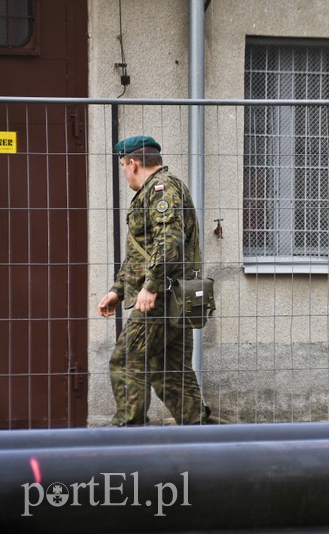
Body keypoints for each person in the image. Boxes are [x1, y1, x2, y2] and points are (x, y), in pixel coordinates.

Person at [98, 135, 222, 425]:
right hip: (170, 294)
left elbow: (169, 243)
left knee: (127, 360)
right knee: (169, 369)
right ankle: (200, 435)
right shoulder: (155, 192)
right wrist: (118, 291)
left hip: (163, 296)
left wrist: (150, 288)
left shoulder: (161, 189)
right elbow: (142, 250)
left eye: (124, 166)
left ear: (133, 163)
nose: (125, 173)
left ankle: (130, 433)